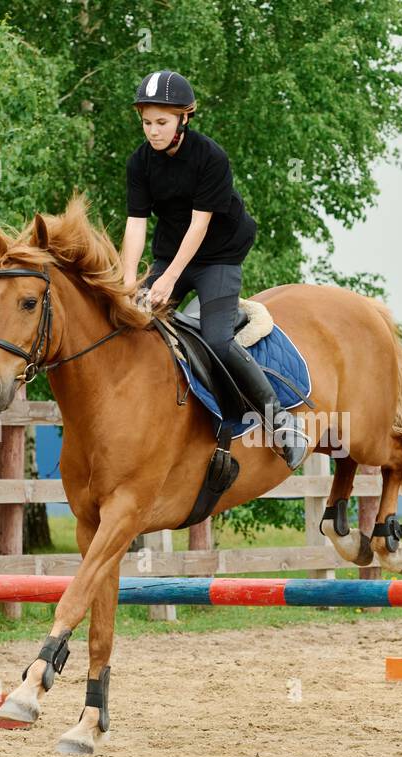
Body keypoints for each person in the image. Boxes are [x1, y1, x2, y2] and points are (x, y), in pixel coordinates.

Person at [121, 70, 308, 470]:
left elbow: (199, 225)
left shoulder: (211, 158)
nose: (152, 131)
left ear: (184, 119)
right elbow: (136, 224)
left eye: (161, 122)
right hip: (170, 253)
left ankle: (282, 425)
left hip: (218, 255)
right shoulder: (139, 162)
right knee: (129, 322)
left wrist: (169, 279)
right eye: (146, 122)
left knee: (217, 340)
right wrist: (126, 283)